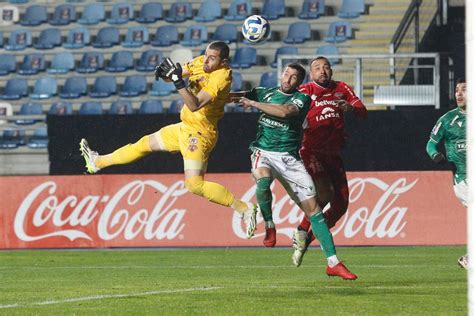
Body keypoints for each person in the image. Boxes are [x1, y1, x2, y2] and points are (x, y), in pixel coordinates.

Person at [79, 41, 258, 239]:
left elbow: (194, 104)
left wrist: (177, 82)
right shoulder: (200, 62)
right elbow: (174, 75)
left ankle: (244, 208)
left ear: (223, 61)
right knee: (143, 145)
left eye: (212, 58)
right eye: (206, 55)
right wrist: (167, 74)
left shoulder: (222, 76)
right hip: (184, 128)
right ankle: (97, 162)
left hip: (199, 134)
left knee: (194, 185)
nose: (206, 60)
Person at [233, 63, 357, 280]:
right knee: (262, 181)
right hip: (264, 151)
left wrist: (253, 103)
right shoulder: (265, 92)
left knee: (315, 210)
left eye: (293, 77)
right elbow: (233, 96)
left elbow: (285, 111)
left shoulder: (302, 98)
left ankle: (333, 263)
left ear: (300, 82)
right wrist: (208, 93)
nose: (288, 79)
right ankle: (270, 225)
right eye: (286, 74)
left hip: (289, 159)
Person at [291, 56, 367, 267]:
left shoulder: (342, 88)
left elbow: (362, 111)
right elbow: (289, 110)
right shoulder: (305, 91)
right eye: (317, 68)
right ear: (311, 73)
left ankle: (305, 238)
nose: (322, 71)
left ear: (331, 71)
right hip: (311, 151)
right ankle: (302, 229)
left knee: (341, 205)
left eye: (326, 67)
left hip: (333, 154)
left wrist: (351, 108)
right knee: (324, 193)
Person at [426, 78, 467, 269]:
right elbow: (431, 143)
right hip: (463, 178)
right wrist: (436, 156)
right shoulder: (447, 120)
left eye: (464, 90)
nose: (459, 93)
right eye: (457, 90)